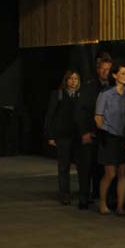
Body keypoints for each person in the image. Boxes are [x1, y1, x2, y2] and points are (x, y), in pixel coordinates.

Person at [77, 54, 113, 208]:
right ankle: (84, 198)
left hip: (107, 134)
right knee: (86, 167)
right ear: (98, 69)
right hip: (91, 132)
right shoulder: (89, 86)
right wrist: (84, 131)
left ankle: (102, 196)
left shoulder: (112, 85)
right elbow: (81, 111)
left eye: (108, 69)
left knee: (103, 167)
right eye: (103, 69)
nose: (105, 72)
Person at [45, 70, 86, 207]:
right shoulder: (58, 94)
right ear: (66, 80)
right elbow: (50, 115)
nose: (73, 81)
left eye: (76, 79)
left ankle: (83, 193)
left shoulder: (81, 95)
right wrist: (50, 135)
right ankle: (65, 194)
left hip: (78, 135)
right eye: (71, 78)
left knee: (81, 166)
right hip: (63, 135)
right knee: (64, 166)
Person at [95, 63, 125, 216]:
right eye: (122, 73)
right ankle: (102, 203)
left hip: (124, 137)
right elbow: (98, 117)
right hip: (109, 137)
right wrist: (104, 133)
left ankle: (120, 206)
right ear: (115, 75)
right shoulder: (106, 93)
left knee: (123, 173)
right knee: (110, 173)